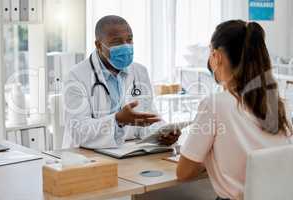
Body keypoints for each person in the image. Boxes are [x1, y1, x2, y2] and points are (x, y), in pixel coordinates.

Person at [176, 20, 293, 200]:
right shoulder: (277, 103)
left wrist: (206, 155)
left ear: (217, 57)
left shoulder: (215, 104)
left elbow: (184, 172)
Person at [62, 15, 180, 149]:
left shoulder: (140, 71)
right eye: (116, 42)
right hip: (85, 156)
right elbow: (78, 131)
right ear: (99, 45)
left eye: (129, 39)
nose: (125, 46)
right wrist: (118, 120)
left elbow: (148, 118)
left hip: (128, 151)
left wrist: (163, 133)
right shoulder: (76, 76)